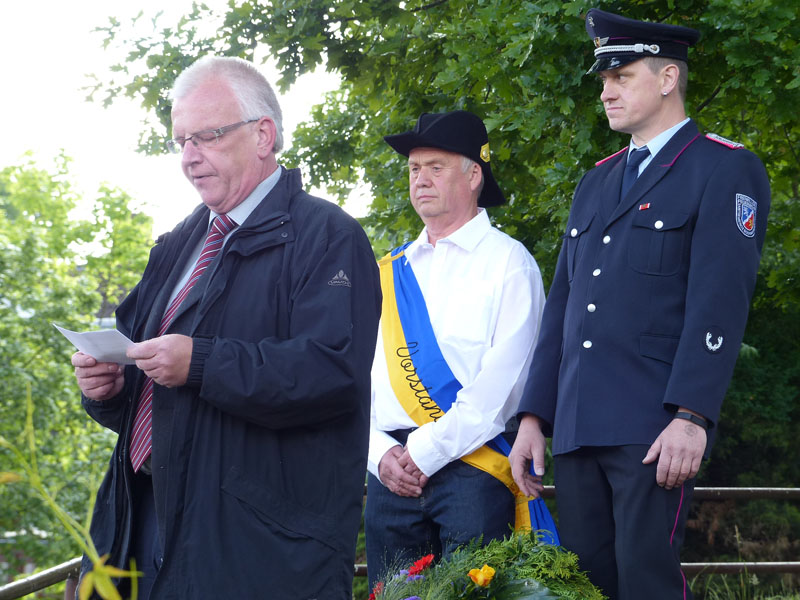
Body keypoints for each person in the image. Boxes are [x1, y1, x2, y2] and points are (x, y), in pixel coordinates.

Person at [70, 56, 381, 600]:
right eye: (181, 141)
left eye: (207, 137)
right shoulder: (177, 243)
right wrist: (110, 390)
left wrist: (201, 362)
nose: (189, 157)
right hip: (143, 520)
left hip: (256, 551)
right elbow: (151, 384)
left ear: (263, 135)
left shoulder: (329, 236)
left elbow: (331, 373)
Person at [509, 8, 770, 600]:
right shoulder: (595, 181)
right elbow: (563, 310)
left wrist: (693, 415)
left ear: (668, 78)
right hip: (578, 426)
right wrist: (533, 418)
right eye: (604, 79)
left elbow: (719, 304)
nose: (606, 91)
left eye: (621, 76)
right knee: (585, 588)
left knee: (647, 582)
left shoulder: (722, 167)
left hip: (653, 427)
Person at [365, 110, 546, 587]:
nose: (420, 179)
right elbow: (356, 377)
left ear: (473, 176)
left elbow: (503, 388)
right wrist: (378, 453)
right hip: (389, 474)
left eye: (435, 167)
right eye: (413, 168)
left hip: (473, 471)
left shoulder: (510, 264)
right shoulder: (387, 271)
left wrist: (423, 452)